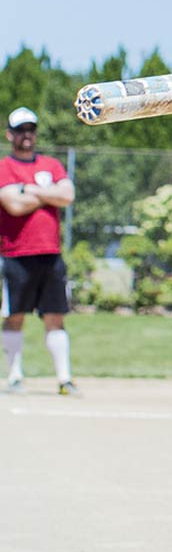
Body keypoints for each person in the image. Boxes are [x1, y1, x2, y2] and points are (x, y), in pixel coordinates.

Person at [0, 107, 78, 395]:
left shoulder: (51, 164)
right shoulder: (4, 167)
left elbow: (67, 195)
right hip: (16, 255)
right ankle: (15, 377)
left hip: (51, 254)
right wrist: (48, 195)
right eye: (20, 130)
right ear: (10, 135)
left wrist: (30, 190)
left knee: (55, 315)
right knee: (15, 315)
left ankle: (64, 380)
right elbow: (13, 205)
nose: (27, 134)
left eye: (31, 129)